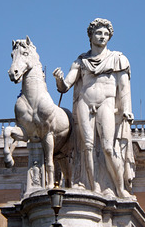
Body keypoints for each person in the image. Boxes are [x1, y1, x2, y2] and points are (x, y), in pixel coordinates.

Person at [53, 18, 135, 199]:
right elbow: (65, 86)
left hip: (107, 102)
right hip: (84, 102)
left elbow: (124, 88)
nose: (102, 36)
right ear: (90, 36)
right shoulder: (81, 61)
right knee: (87, 147)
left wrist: (127, 109)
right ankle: (94, 186)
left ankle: (120, 189)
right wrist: (59, 79)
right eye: (99, 33)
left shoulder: (118, 59)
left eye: (106, 34)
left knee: (107, 147)